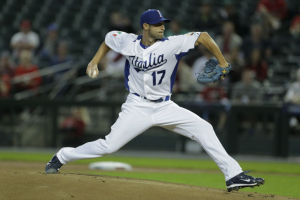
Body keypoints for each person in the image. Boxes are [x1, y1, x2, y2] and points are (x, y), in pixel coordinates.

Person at [45, 9, 264, 192]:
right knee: (108, 146)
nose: (162, 27)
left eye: (163, 23)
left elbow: (203, 36)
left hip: (165, 106)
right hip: (137, 106)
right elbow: (107, 40)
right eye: (157, 24)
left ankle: (233, 175)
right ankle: (62, 155)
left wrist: (222, 61)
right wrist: (94, 62)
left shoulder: (173, 43)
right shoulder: (128, 42)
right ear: (145, 27)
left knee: (203, 127)